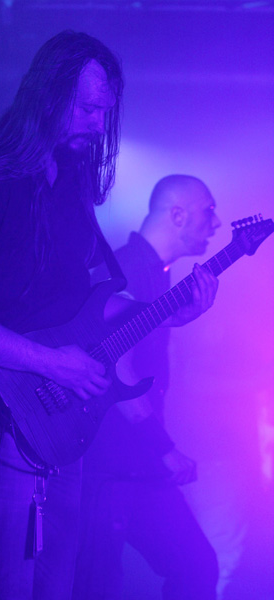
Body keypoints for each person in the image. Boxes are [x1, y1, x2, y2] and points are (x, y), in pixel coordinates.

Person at [0, 29, 218, 600]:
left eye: (105, 112)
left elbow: (92, 305)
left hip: (59, 426)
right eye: (86, 108)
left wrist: (167, 312)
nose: (97, 124)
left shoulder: (70, 184)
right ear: (47, 96)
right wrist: (51, 362)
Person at [72, 174, 222, 600]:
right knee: (97, 586)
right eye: (208, 211)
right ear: (177, 214)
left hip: (135, 463)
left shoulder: (158, 274)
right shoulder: (123, 272)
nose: (216, 223)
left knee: (196, 567)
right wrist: (163, 446)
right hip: (108, 466)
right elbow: (117, 368)